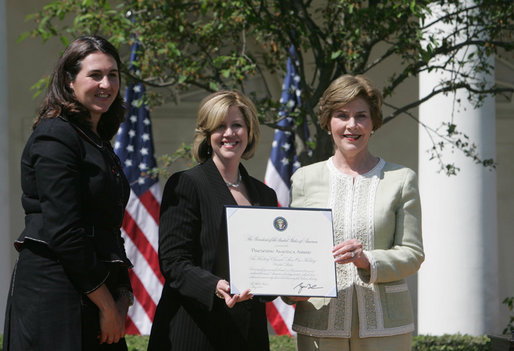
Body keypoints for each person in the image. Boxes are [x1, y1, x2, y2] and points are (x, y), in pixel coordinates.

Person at [3, 35, 133, 351]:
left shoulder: (97, 141)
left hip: (95, 290)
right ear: (69, 81)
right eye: (95, 75)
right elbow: (64, 231)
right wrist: (106, 305)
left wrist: (122, 294)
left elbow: (107, 224)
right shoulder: (55, 136)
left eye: (113, 75)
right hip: (55, 298)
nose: (106, 84)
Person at [285, 74, 424, 351]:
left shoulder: (401, 179)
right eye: (342, 115)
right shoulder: (304, 179)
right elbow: (294, 253)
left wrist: (367, 260)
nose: (352, 125)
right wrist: (289, 290)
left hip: (386, 328)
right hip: (319, 324)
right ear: (328, 122)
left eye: (361, 116)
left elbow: (412, 253)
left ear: (373, 123)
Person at [148, 90, 278, 351]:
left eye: (237, 125)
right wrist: (215, 286)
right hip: (194, 332)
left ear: (250, 131)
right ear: (207, 134)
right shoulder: (186, 184)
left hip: (248, 335)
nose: (229, 133)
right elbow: (173, 262)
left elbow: (269, 266)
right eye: (220, 126)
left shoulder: (265, 194)